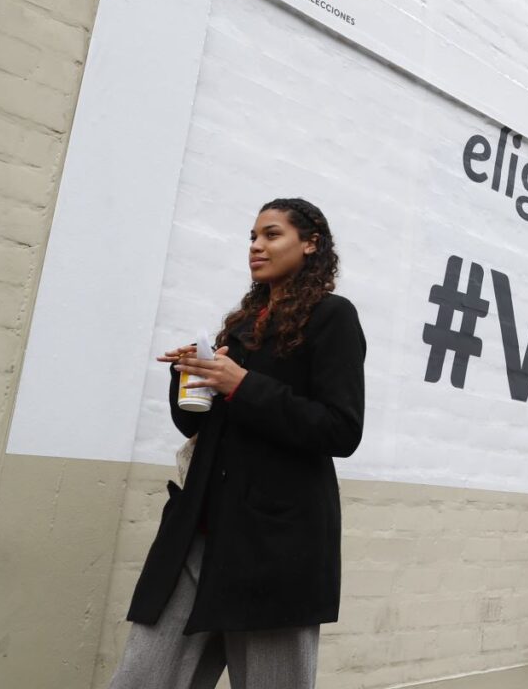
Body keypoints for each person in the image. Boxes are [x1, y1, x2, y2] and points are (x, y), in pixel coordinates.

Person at [110, 198, 366, 688]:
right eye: (252, 237)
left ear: (311, 244)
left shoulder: (333, 317)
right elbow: (195, 427)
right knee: (140, 678)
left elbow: (340, 428)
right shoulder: (243, 325)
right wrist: (191, 378)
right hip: (198, 531)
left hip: (273, 544)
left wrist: (241, 384)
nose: (256, 246)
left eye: (271, 235)